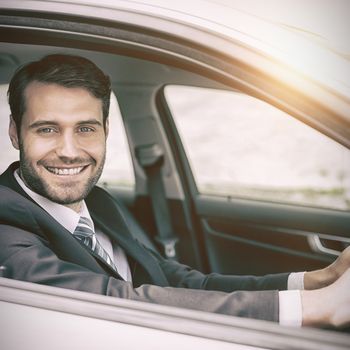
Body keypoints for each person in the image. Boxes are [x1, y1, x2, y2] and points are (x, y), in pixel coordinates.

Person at [0, 54, 349, 329]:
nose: (70, 151)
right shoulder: (5, 224)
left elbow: (172, 280)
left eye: (86, 129)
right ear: (16, 133)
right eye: (47, 129)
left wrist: (314, 281)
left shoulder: (98, 202)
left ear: (106, 129)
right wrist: (316, 309)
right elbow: (117, 299)